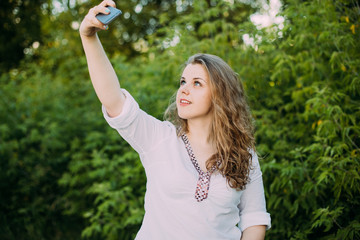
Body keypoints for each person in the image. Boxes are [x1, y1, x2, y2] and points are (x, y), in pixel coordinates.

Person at [79, 1, 271, 239]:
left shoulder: (244, 154)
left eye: (197, 83)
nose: (184, 90)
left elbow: (254, 219)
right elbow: (115, 102)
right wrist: (89, 37)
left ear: (221, 95)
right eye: (183, 82)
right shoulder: (160, 139)